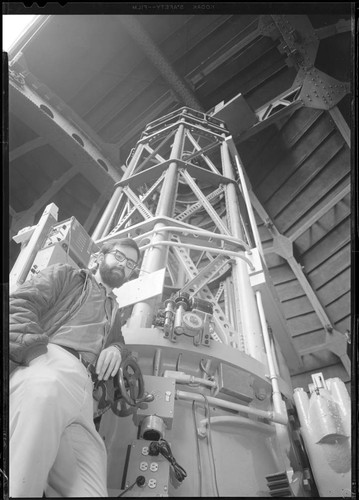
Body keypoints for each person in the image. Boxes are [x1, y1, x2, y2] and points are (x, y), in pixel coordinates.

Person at [9, 237, 140, 498]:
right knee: (22, 481)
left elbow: (120, 343)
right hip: (49, 364)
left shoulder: (114, 311)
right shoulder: (68, 276)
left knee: (90, 489)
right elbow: (17, 305)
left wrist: (116, 349)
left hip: (84, 399)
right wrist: (36, 356)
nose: (124, 266)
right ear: (101, 256)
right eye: (119, 256)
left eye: (131, 265)